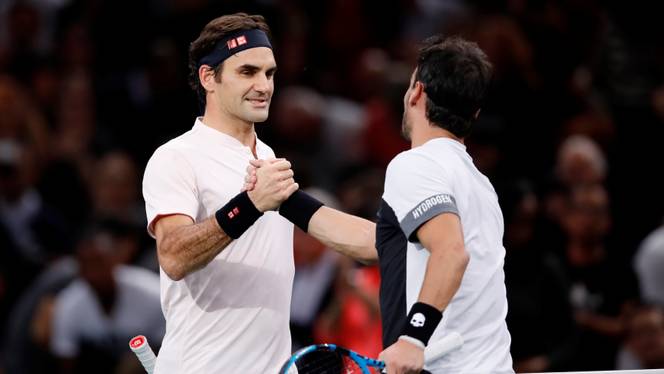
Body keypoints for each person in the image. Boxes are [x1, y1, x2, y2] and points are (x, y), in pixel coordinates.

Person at [248, 36, 513, 373]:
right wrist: (286, 201)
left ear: (416, 92)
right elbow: (382, 245)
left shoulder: (415, 164)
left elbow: (451, 252)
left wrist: (412, 339)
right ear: (473, 112)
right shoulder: (481, 185)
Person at [142, 13, 376, 373]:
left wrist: (416, 242)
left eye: (269, 73)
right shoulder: (176, 157)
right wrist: (250, 204)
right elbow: (173, 257)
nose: (264, 86)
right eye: (248, 72)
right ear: (209, 78)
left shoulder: (267, 159)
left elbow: (342, 232)